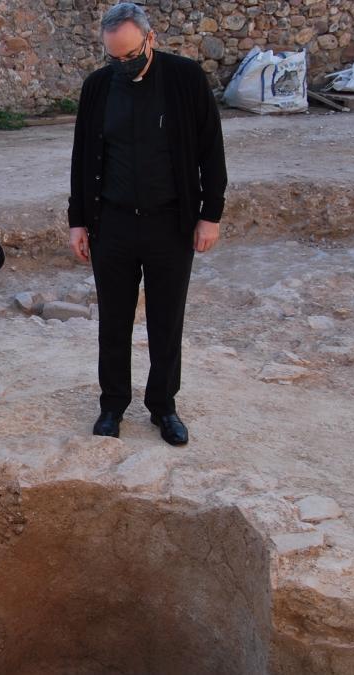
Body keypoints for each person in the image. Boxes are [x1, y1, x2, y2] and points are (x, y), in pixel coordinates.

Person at [67, 3, 227, 444]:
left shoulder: (185, 79)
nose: (122, 64)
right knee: (113, 321)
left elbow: (211, 151)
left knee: (165, 320)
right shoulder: (98, 88)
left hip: (169, 224)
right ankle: (112, 405)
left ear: (150, 39)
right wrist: (77, 220)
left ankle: (163, 407)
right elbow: (83, 157)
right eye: (113, 57)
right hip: (113, 225)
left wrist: (209, 215)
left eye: (130, 55)